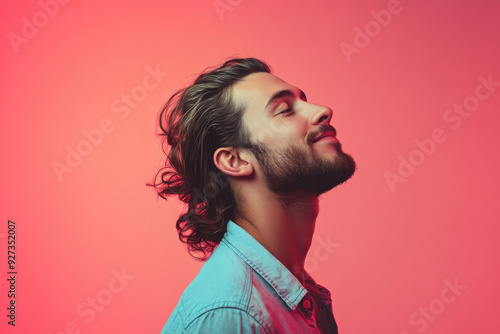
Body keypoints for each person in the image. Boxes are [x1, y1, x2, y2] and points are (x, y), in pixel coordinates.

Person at [149, 57, 356, 333]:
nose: (323, 110)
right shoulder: (233, 314)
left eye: (304, 100)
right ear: (234, 160)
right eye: (285, 110)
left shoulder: (294, 296)